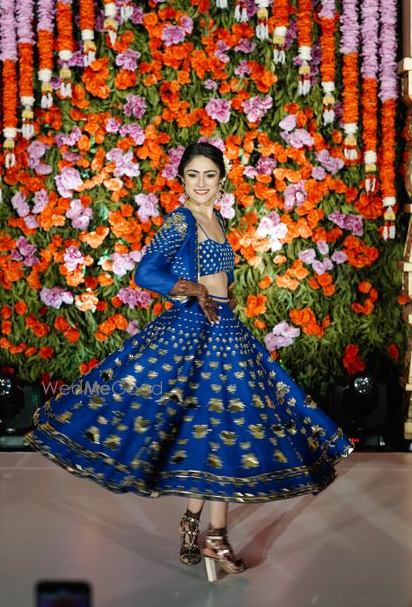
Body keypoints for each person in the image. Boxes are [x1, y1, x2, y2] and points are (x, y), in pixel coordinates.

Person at [24, 141, 354, 583]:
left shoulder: (218, 219)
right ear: (182, 179)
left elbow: (221, 275)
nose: (201, 184)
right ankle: (204, 530)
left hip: (226, 331)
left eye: (209, 176)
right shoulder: (180, 221)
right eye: (193, 175)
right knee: (194, 425)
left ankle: (207, 531)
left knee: (226, 428)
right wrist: (193, 289)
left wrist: (220, 292)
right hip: (191, 335)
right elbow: (146, 273)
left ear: (221, 181)